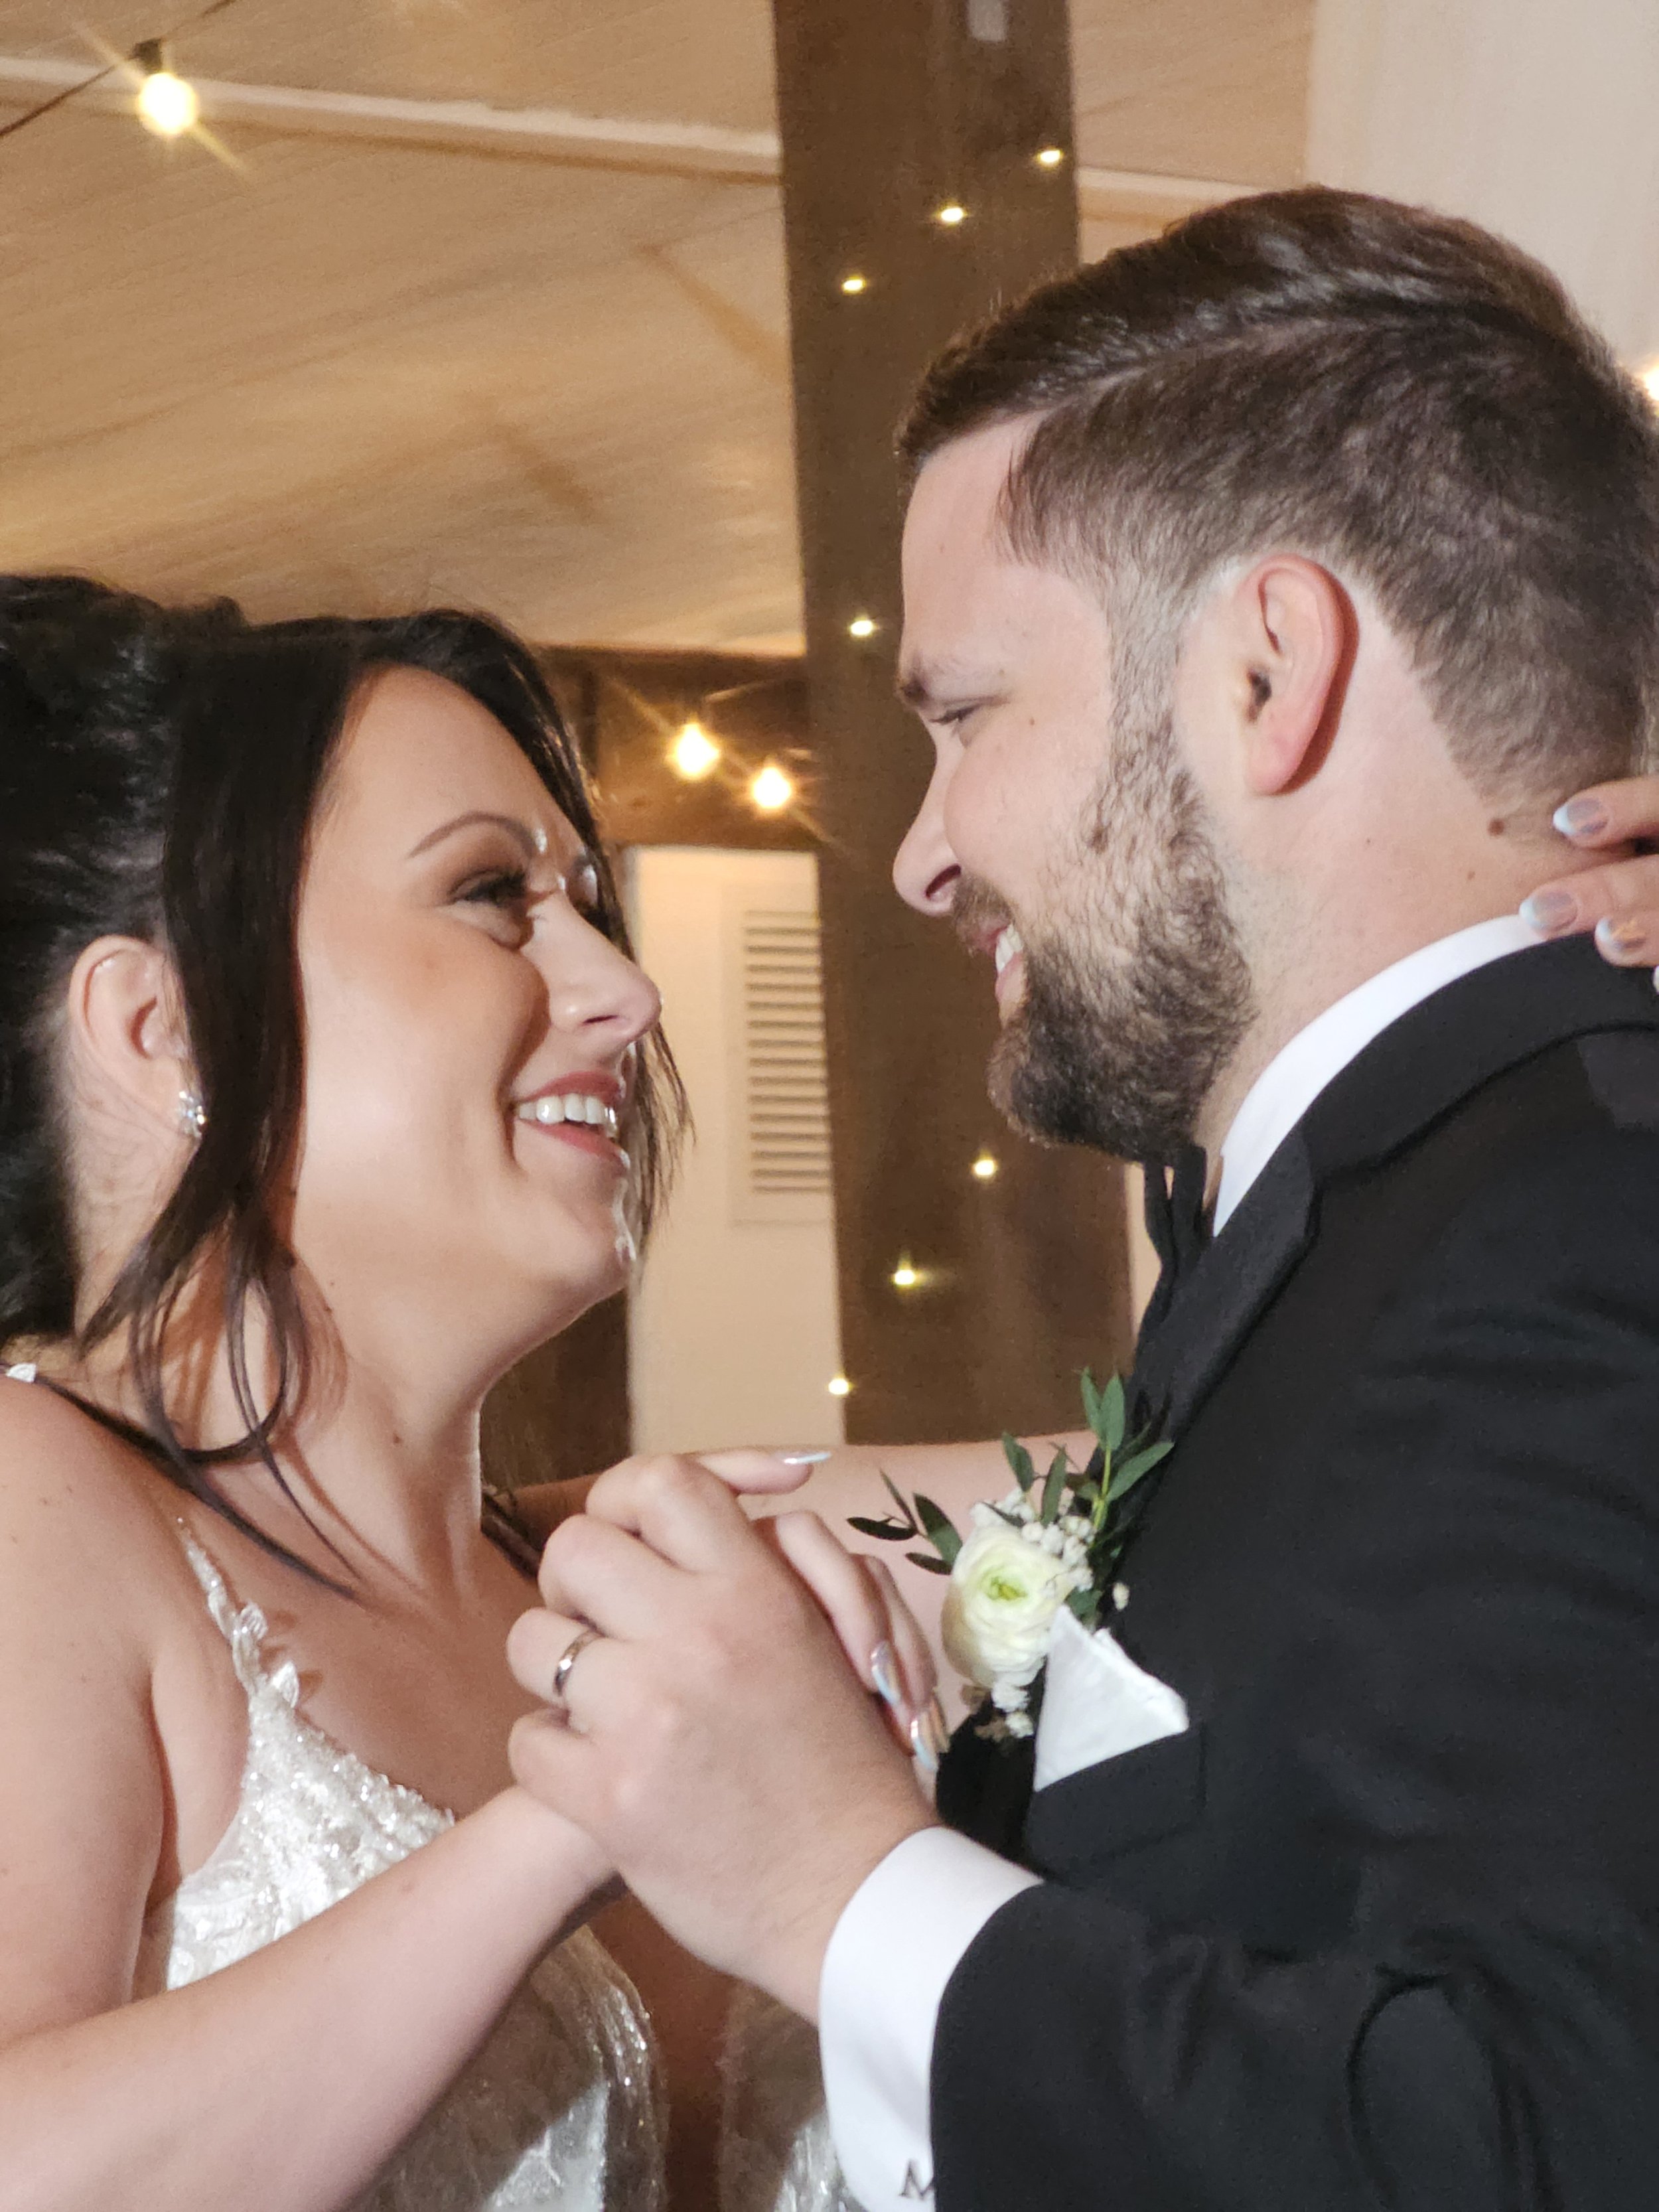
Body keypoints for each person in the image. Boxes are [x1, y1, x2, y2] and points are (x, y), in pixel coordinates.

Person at [506, 187, 1659, 2211]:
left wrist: (841, 1881)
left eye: (966, 714)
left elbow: (1557, 2140)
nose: (923, 854)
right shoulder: (1393, 1217)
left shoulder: (1552, 1219)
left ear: (1262, 669)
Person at [0, 575, 930, 2212]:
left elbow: (1249, 1462)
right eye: (493, 895)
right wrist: (570, 1815)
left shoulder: (651, 1565)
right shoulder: (38, 1504)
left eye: (589, 904)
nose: (622, 993)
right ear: (167, 1026)